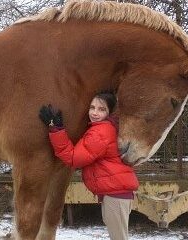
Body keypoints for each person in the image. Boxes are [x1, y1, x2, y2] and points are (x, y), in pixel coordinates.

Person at [39, 90, 139, 240]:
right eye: (92, 108)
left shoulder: (101, 132)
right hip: (116, 193)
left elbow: (73, 158)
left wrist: (56, 129)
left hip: (115, 195)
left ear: (109, 112)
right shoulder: (104, 128)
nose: (95, 113)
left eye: (101, 109)